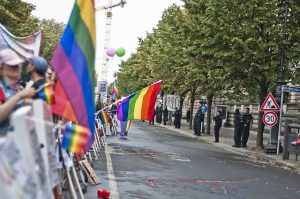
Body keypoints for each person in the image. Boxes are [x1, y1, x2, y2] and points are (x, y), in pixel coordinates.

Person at [0, 49, 36, 134]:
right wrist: (20, 95)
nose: (16, 68)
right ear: (2, 67)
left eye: (17, 65)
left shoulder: (16, 87)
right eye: (12, 65)